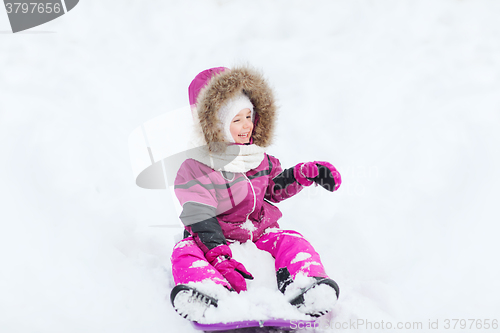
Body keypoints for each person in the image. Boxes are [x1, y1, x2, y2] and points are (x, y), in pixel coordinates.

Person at [169, 66, 342, 321]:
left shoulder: (258, 159)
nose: (246, 126)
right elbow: (199, 216)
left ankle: (305, 286)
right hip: (213, 241)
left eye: (249, 116)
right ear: (215, 126)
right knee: (183, 251)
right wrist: (220, 258)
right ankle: (207, 293)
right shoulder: (197, 167)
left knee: (292, 241)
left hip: (258, 233)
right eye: (236, 120)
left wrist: (304, 174)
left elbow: (273, 189)